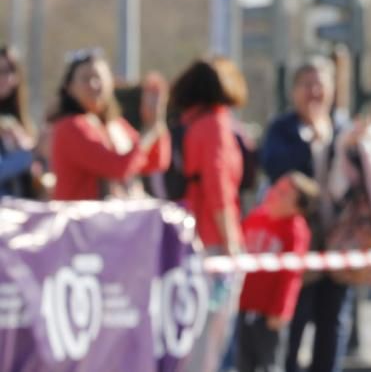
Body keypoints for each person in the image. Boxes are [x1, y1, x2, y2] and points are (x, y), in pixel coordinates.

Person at [259, 55, 352, 372]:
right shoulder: (282, 129)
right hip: (297, 242)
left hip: (338, 239)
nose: (314, 92)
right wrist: (309, 140)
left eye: (320, 84)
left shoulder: (343, 128)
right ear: (294, 91)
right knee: (292, 320)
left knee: (334, 319)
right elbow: (276, 171)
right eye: (307, 84)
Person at [48, 48, 170, 200]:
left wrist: (156, 121)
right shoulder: (70, 126)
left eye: (99, 78)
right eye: (86, 79)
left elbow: (155, 162)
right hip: (82, 220)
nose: (94, 85)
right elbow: (117, 167)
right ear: (69, 87)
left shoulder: (114, 124)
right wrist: (149, 131)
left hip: (114, 219)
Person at [236, 171, 320, 372]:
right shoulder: (257, 217)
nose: (273, 193)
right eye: (276, 188)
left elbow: (291, 276)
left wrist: (281, 310)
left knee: (270, 364)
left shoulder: (295, 230)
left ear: (297, 206)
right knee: (242, 363)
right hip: (244, 306)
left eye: (283, 193)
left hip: (269, 314)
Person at [168, 57, 249, 253]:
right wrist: (229, 238)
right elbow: (217, 183)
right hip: (213, 235)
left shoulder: (188, 122)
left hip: (186, 227)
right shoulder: (215, 124)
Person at [0, 44, 39, 198]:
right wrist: (30, 154)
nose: (3, 78)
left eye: (8, 71)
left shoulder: (20, 120)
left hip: (21, 212)